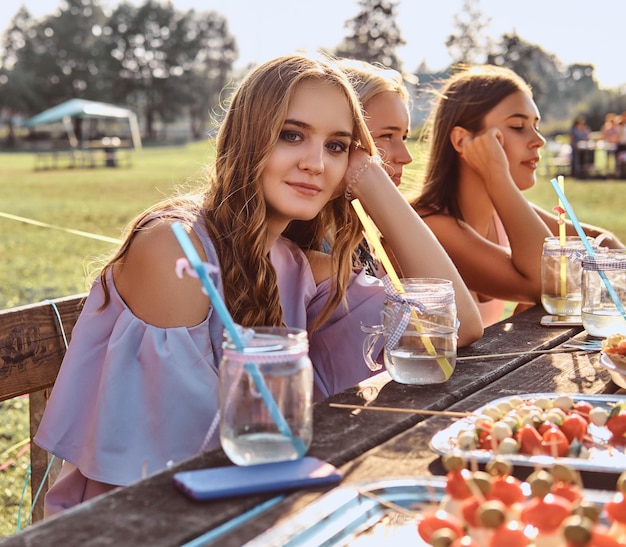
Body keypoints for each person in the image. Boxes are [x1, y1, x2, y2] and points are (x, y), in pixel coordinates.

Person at [34, 53, 483, 516]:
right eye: (292, 135)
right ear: (248, 137)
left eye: (336, 146)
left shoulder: (297, 265)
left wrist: (371, 180)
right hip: (137, 523)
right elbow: (178, 460)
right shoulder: (176, 248)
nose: (315, 163)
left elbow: (453, 327)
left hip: (253, 507)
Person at [410, 65, 624, 327]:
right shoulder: (428, 225)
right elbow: (544, 284)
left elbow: (608, 246)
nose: (539, 140)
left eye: (536, 125)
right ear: (462, 141)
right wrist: (498, 178)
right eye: (518, 126)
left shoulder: (503, 212)